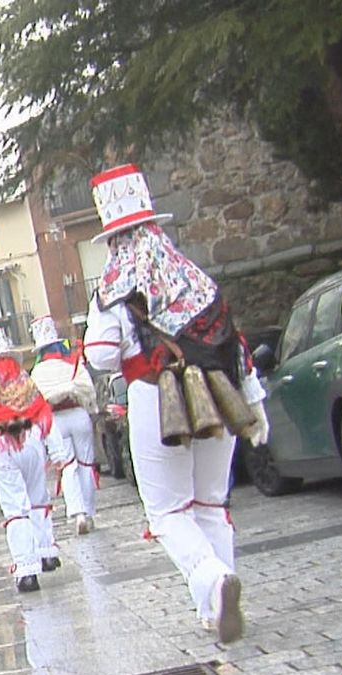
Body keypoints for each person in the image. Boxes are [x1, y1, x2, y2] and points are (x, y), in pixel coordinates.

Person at [82, 164, 268, 644]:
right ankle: (215, 605)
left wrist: (97, 317)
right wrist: (254, 402)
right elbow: (235, 344)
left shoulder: (116, 286)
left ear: (114, 237)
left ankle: (211, 579)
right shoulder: (196, 280)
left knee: (166, 511)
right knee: (211, 503)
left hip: (156, 398)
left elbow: (102, 356)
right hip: (218, 394)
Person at [0, 327, 70, 592]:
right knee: (37, 498)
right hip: (32, 439)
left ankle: (26, 569)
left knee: (15, 507)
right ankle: (47, 552)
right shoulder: (27, 384)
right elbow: (45, 414)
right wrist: (57, 453)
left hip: (0, 446)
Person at [28, 316, 100, 534]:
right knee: (86, 465)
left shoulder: (37, 372)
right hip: (78, 414)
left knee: (68, 467)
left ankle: (77, 512)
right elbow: (88, 389)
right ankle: (88, 512)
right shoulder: (73, 363)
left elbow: (35, 401)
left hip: (55, 421)